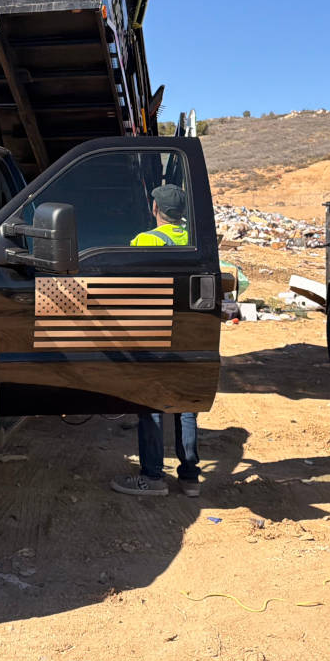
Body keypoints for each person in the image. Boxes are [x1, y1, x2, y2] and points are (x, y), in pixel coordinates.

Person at [111, 183, 200, 497]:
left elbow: (129, 289)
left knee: (151, 403)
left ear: (154, 209)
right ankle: (190, 478)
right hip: (189, 329)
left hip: (154, 331)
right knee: (186, 405)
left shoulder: (144, 241)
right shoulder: (194, 239)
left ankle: (152, 477)